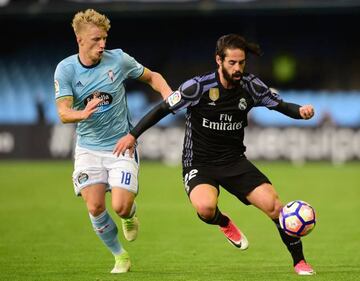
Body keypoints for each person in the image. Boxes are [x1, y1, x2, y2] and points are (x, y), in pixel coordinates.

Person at [113, 34, 316, 275]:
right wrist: (133, 134)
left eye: (241, 62)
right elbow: (162, 109)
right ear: (218, 60)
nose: (238, 68)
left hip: (234, 161)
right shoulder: (197, 87)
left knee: (275, 207)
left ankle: (299, 261)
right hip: (198, 161)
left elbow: (280, 105)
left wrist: (300, 111)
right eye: (232, 63)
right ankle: (224, 222)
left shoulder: (251, 86)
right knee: (206, 208)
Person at [54, 9, 172, 274]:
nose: (102, 44)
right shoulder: (66, 69)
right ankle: (120, 256)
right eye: (96, 39)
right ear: (80, 40)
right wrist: (81, 113)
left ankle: (129, 214)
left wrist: (169, 95)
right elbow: (63, 112)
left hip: (121, 145)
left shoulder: (118, 60)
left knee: (120, 206)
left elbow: (153, 77)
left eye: (104, 38)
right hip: (88, 148)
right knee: (95, 207)